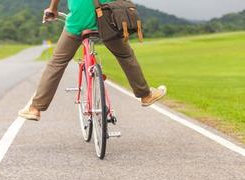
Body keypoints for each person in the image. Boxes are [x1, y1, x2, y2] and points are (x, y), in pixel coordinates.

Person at [19, 0, 166, 121]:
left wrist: (53, 9)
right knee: (125, 56)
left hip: (78, 21)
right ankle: (145, 95)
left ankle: (35, 108)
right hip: (108, 19)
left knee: (57, 62)